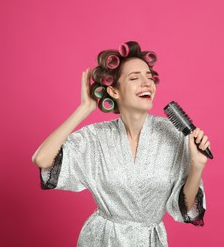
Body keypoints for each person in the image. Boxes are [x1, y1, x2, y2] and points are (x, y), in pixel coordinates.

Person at [32, 41, 211, 246]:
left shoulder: (174, 135)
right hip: (101, 239)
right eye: (135, 78)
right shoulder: (95, 138)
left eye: (149, 77)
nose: (147, 83)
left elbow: (186, 208)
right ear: (114, 91)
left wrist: (197, 166)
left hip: (149, 240)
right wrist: (84, 109)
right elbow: (42, 159)